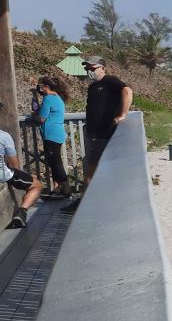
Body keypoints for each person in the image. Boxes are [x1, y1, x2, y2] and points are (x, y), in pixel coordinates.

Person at [65, 56, 131, 212]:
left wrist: (123, 114)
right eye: (87, 68)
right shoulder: (93, 86)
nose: (89, 71)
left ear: (102, 68)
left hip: (104, 134)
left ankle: (87, 203)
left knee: (92, 169)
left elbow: (127, 91)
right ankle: (87, 200)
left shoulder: (110, 81)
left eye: (92, 68)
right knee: (90, 167)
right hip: (92, 133)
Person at [33, 74, 70, 198]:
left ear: (46, 87)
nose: (38, 87)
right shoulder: (57, 97)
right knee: (54, 162)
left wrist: (34, 116)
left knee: (55, 163)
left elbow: (42, 118)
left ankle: (65, 190)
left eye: (40, 85)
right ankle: (58, 189)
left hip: (51, 134)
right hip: (57, 133)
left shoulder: (48, 98)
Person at [1, 127, 44, 228]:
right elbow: (14, 165)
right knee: (36, 185)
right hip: (2, 174)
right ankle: (22, 213)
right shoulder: (4, 136)